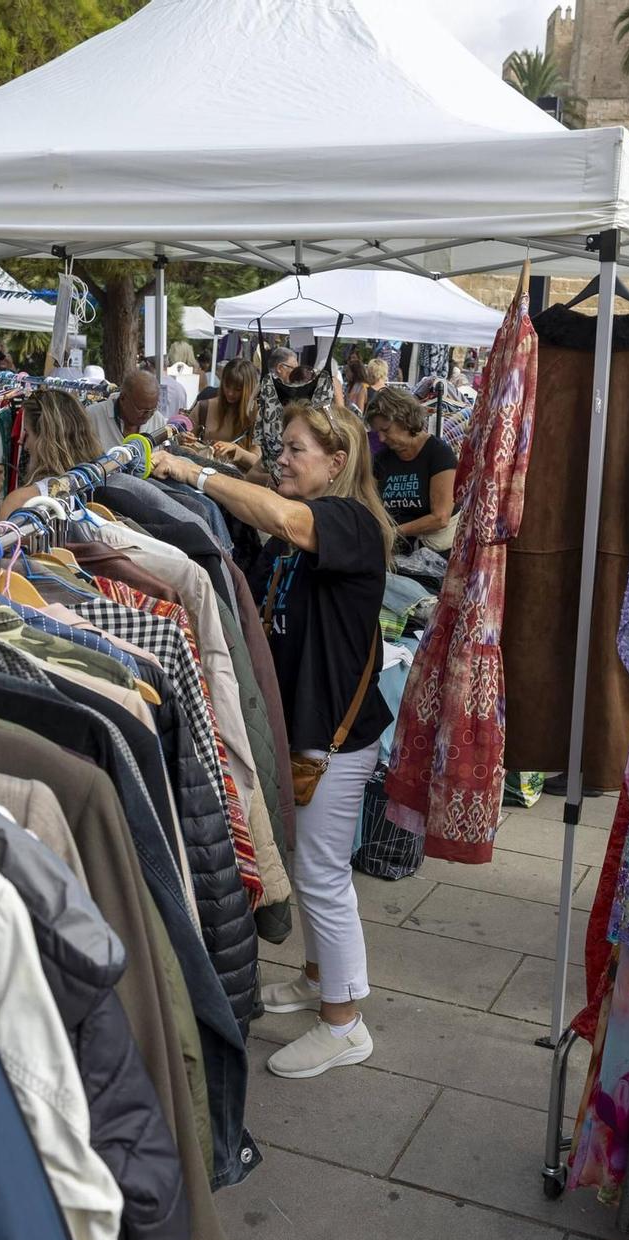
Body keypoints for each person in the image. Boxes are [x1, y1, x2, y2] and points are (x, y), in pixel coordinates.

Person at [148, 404, 394, 1078]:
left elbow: (284, 519)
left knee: (321, 873)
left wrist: (194, 475)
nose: (280, 459)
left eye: (294, 449)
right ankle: (319, 978)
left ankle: (345, 1023)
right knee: (310, 863)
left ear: (337, 461)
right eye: (279, 448)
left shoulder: (350, 523)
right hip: (303, 730)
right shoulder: (307, 520)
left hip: (332, 735)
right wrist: (235, 467)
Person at [365, 385, 458, 551]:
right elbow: (370, 503)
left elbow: (440, 517)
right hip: (395, 548)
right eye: (377, 432)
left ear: (405, 420)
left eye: (386, 430)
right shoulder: (381, 459)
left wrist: (393, 533)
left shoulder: (438, 454)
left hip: (432, 552)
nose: (381, 438)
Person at [0, 389, 106, 520]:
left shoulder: (20, 502)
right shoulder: (102, 478)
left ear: (44, 440)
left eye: (27, 433)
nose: (24, 444)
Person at [192, 357, 259, 453]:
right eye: (227, 386)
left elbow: (256, 458)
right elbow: (185, 443)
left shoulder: (256, 415)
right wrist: (184, 438)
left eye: (238, 389)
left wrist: (235, 449)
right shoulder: (203, 407)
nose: (230, 393)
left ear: (248, 389)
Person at [86, 367, 165, 445]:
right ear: (123, 398)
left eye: (153, 409)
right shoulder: (91, 417)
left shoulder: (158, 420)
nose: (148, 415)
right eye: (141, 409)